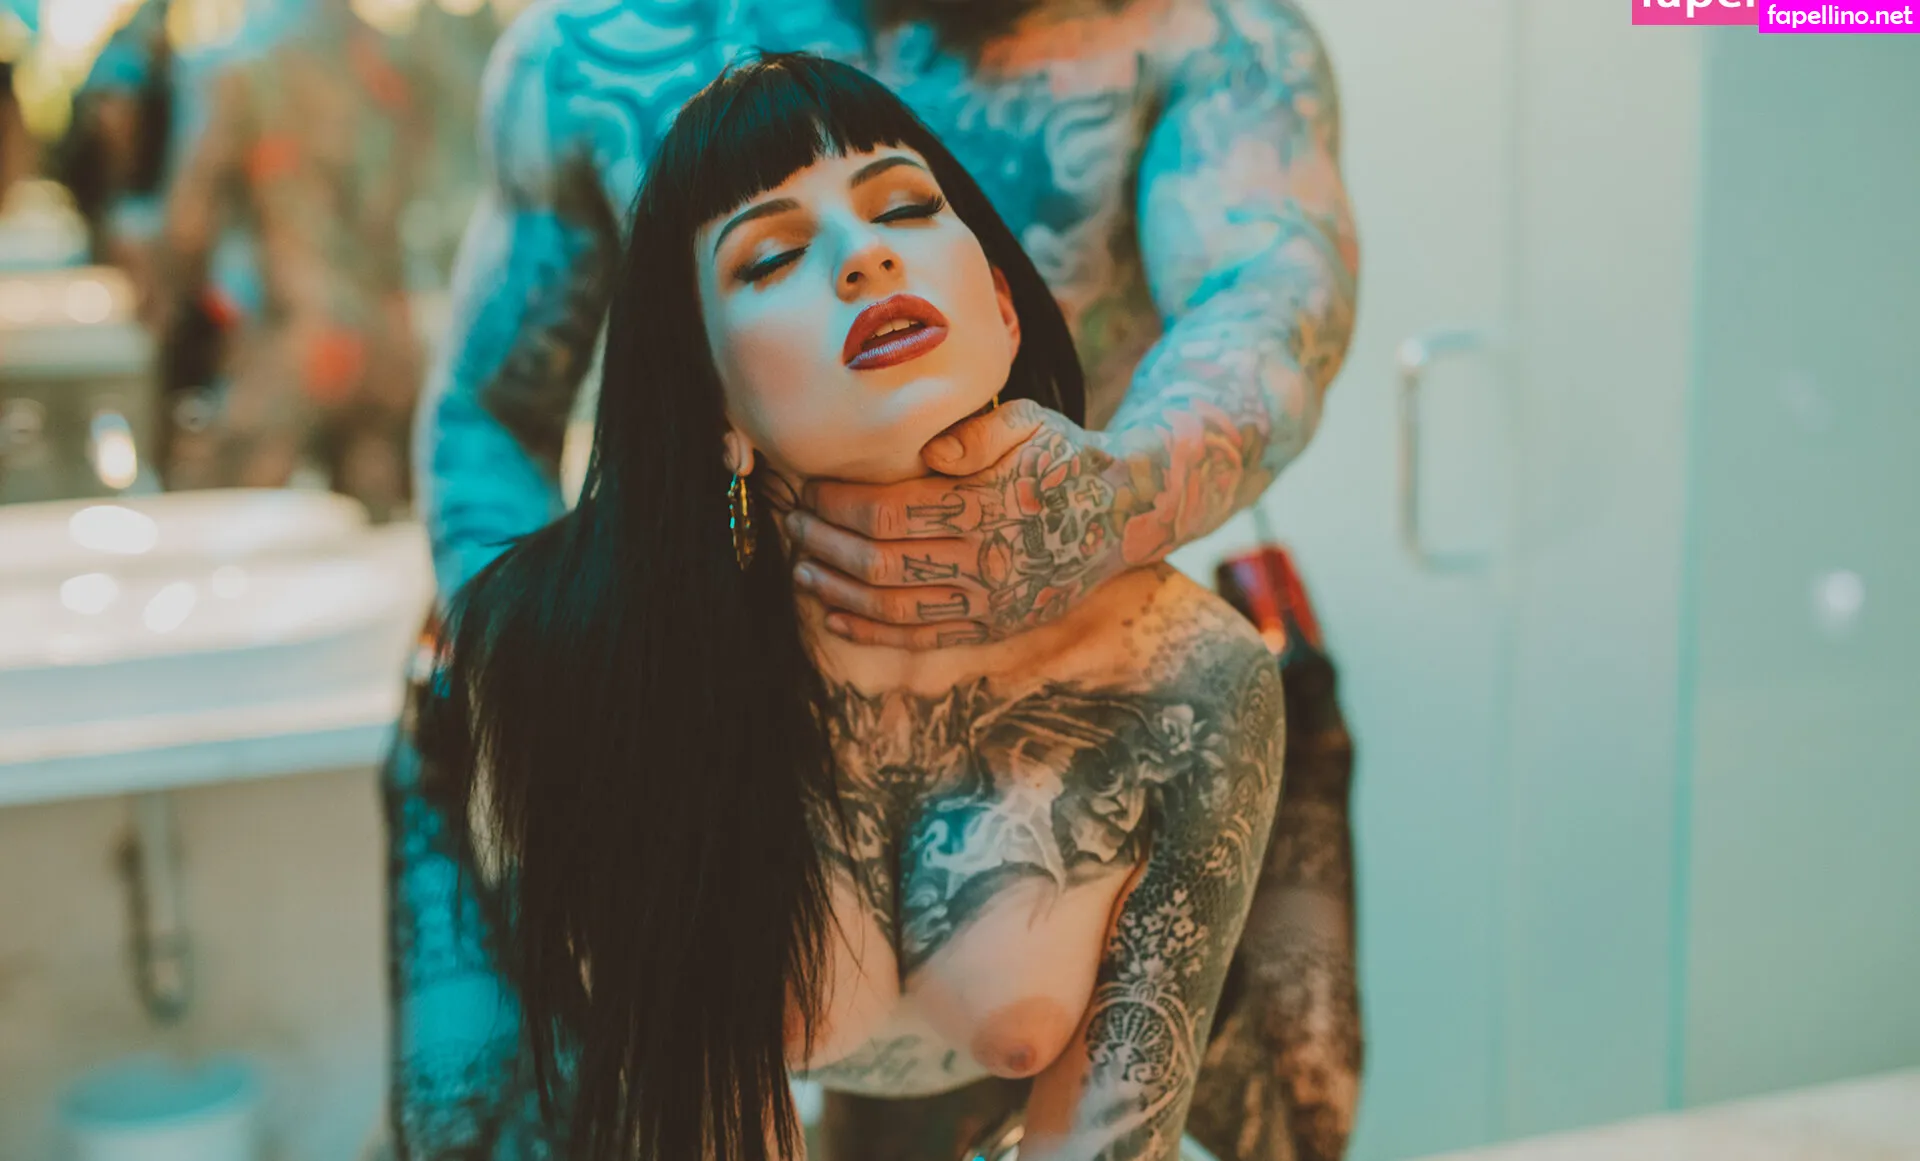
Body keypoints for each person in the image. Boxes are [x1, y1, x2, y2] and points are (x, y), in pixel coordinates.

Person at [394, 0, 1363, 1155]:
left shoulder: (1201, 33)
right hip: (705, 687)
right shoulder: (593, 50)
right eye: (773, 255)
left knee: (1289, 1115)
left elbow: (1263, 298)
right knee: (477, 1130)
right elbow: (488, 409)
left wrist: (1113, 505)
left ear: (1003, 298)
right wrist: (548, 664)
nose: (868, 258)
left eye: (906, 208)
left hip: (1064, 711)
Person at [152, 0, 431, 522]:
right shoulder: (393, 66)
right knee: (377, 537)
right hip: (389, 342)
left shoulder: (247, 69)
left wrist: (183, 325)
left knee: (227, 526)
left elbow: (188, 228)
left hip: (298, 339)